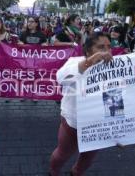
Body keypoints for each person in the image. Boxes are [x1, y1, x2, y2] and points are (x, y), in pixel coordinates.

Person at [49, 32, 114, 176]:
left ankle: (76, 173)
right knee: (62, 154)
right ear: (89, 50)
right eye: (101, 47)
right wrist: (91, 61)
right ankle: (53, 172)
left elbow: (115, 95)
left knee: (88, 157)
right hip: (74, 123)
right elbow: (61, 78)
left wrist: (121, 131)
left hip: (98, 124)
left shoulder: (113, 68)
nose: (106, 51)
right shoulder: (74, 62)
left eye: (109, 47)